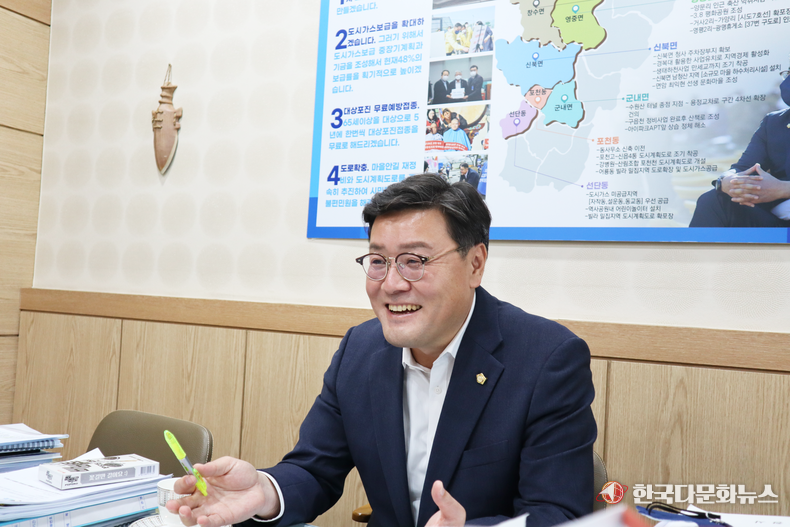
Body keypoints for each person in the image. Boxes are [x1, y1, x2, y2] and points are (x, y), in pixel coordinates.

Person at [167, 174, 596, 527]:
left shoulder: (547, 359)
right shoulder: (361, 349)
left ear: (475, 264)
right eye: (378, 261)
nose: (391, 284)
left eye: (415, 261)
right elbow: (314, 469)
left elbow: (558, 513)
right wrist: (264, 491)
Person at [689, 66, 790, 227]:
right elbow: (742, 168)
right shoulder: (774, 122)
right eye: (788, 73)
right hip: (778, 219)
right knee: (713, 200)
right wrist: (726, 181)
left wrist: (783, 189)